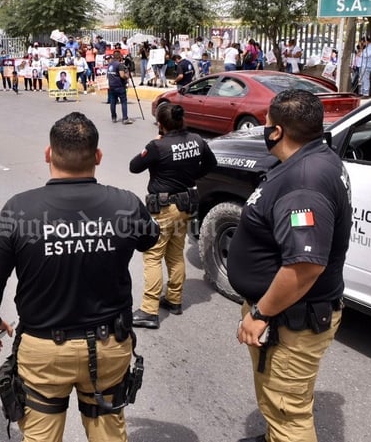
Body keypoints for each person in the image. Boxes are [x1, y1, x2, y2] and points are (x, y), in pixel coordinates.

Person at [0, 112, 159, 442]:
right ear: (98, 157)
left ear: (48, 154)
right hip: (109, 347)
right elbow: (150, 239)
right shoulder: (125, 204)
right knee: (109, 434)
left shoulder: (18, 209)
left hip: (44, 351)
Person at [227, 90, 351, 442]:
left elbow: (305, 265)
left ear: (277, 131)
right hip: (291, 316)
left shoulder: (302, 183)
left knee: (287, 414)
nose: (264, 129)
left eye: (267, 123)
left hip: (290, 320)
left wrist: (261, 313)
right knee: (283, 399)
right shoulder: (313, 159)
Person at [130, 103, 217, 328]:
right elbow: (211, 163)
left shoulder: (158, 146)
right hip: (186, 204)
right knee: (175, 252)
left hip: (165, 209)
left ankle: (149, 310)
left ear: (160, 123)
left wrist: (155, 143)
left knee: (153, 255)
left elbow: (134, 166)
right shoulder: (197, 140)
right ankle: (173, 299)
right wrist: (190, 176)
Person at [107, 53, 132, 124]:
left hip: (111, 86)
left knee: (112, 102)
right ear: (119, 57)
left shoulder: (110, 64)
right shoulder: (119, 65)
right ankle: (125, 118)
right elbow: (122, 75)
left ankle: (113, 117)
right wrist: (127, 76)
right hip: (119, 86)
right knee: (123, 102)